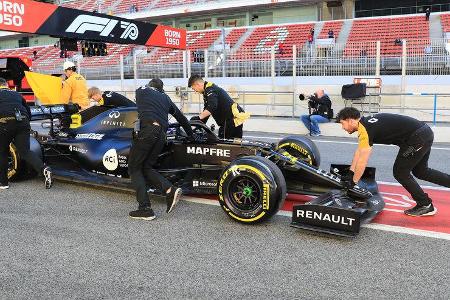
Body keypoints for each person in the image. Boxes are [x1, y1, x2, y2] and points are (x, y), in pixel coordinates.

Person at [336, 107, 450, 217]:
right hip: (423, 132)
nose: (342, 127)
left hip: (416, 139)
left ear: (350, 120)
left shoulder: (365, 129)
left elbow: (363, 160)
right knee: (421, 171)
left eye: (342, 123)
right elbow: (359, 152)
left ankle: (425, 205)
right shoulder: (365, 124)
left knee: (400, 172)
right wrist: (351, 173)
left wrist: (354, 182)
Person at [128, 78, 194, 220]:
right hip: (161, 135)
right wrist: (192, 136)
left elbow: (133, 104)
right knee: (146, 167)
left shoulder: (141, 89)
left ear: (150, 85)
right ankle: (170, 189)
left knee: (134, 168)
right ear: (161, 89)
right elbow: (182, 118)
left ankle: (145, 208)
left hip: (148, 131)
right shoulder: (165, 98)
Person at [0, 77, 52, 190]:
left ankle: (3, 183)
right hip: (23, 122)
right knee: (25, 152)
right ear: (6, 85)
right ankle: (44, 169)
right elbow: (28, 111)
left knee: (2, 152)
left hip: (5, 123)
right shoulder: (17, 94)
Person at [188, 74, 250, 139]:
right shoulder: (207, 90)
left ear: (197, 84)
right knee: (233, 144)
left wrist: (198, 117)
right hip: (230, 120)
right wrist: (200, 122)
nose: (194, 91)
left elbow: (212, 107)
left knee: (227, 145)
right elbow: (207, 109)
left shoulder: (210, 89)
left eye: (193, 88)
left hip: (231, 120)